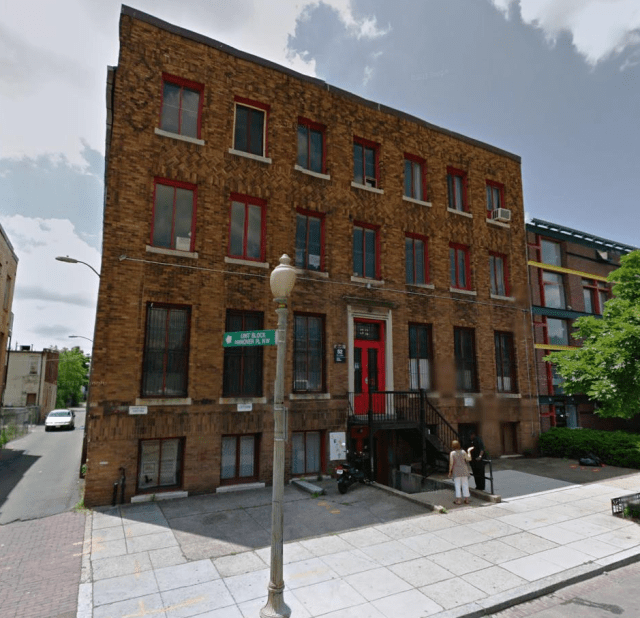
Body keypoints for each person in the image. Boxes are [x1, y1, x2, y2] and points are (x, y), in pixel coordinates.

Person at [448, 440, 472, 505]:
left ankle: (458, 500)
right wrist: (469, 451)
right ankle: (466, 499)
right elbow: (469, 459)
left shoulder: (452, 453)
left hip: (456, 471)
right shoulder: (463, 452)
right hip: (464, 470)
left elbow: (451, 463)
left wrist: (450, 471)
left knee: (457, 485)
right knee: (465, 484)